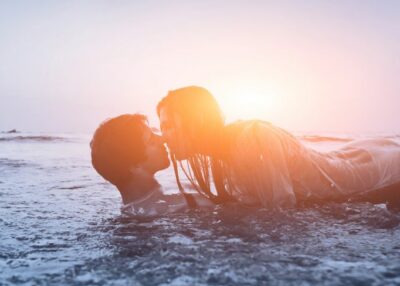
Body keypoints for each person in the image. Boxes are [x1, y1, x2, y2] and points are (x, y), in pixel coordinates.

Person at [157, 86, 400, 209]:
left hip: (379, 169)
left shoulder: (253, 139)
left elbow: (281, 214)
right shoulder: (227, 150)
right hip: (356, 156)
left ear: (196, 120)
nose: (164, 136)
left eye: (168, 125)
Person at [90, 114, 212, 216]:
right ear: (135, 166)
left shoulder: (133, 210)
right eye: (152, 141)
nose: (162, 139)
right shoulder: (179, 205)